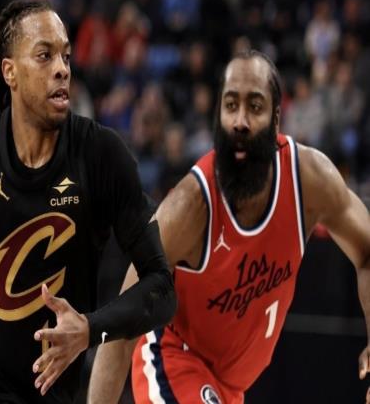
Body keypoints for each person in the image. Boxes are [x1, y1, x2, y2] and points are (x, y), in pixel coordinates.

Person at [0, 0, 177, 404]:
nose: (62, 68)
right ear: (10, 72)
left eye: (66, 56)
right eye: (44, 55)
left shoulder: (101, 154)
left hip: (56, 393)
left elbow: (162, 287)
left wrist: (89, 329)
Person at [88, 50, 370, 404]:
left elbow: (367, 252)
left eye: (255, 106)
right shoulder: (190, 206)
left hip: (229, 387)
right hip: (173, 359)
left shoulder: (310, 180)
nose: (240, 121)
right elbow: (119, 332)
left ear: (276, 119)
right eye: (231, 105)